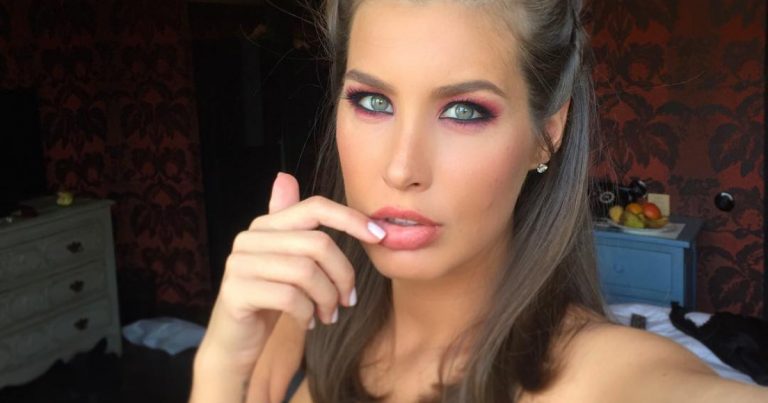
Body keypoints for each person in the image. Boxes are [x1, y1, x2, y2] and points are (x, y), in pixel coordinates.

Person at [189, 1, 768, 402]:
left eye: (464, 111)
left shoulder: (607, 378)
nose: (401, 169)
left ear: (547, 133)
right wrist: (219, 366)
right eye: (372, 101)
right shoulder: (304, 328)